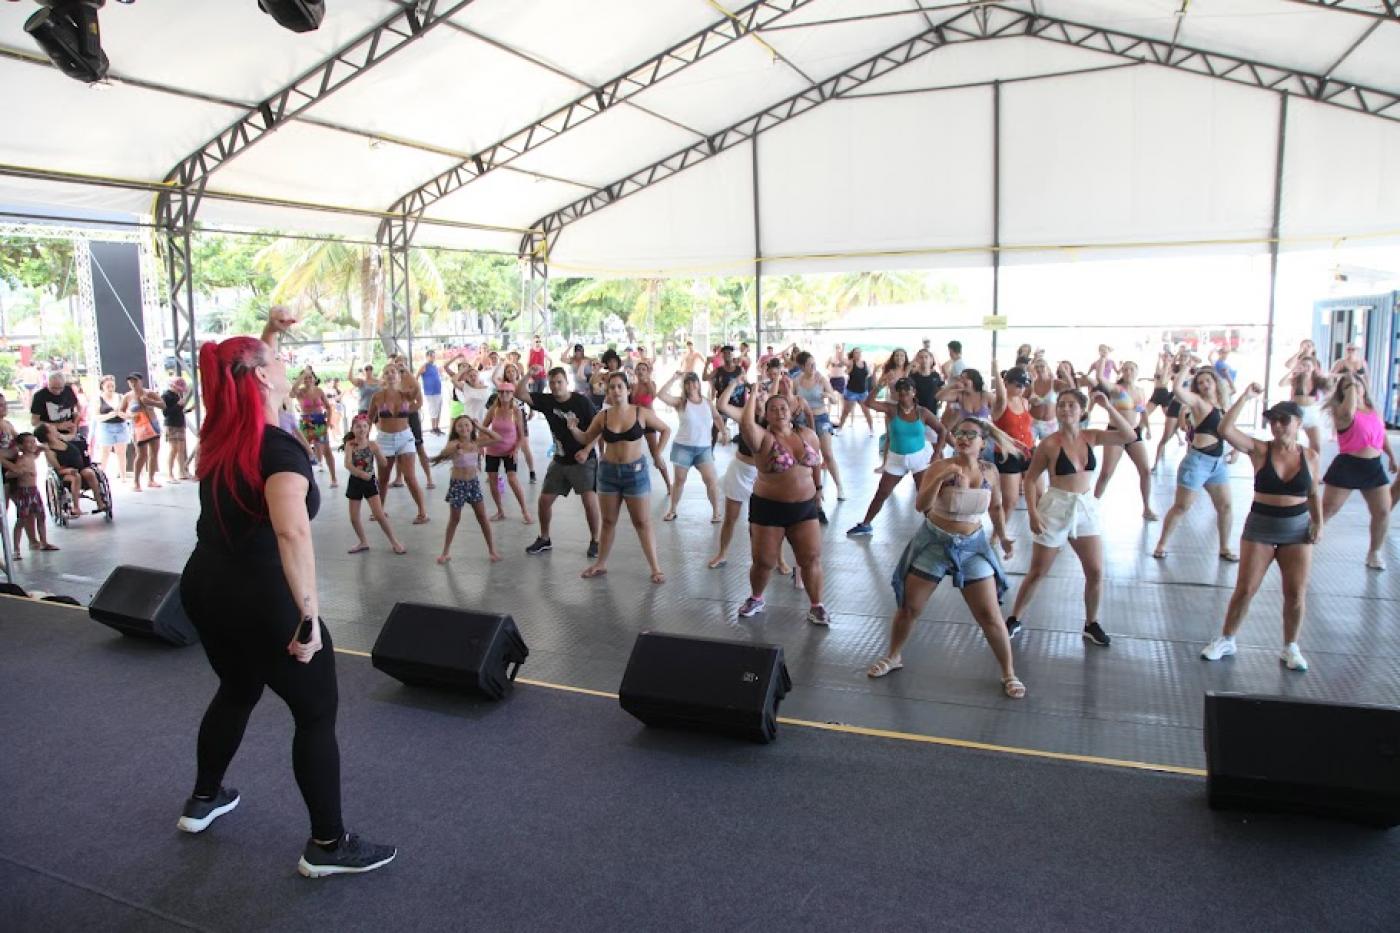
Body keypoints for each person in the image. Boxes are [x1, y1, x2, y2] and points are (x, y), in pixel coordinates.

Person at [177, 308, 395, 878]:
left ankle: (204, 798)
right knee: (316, 712)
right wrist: (308, 618)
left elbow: (241, 378)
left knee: (237, 688)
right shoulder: (279, 452)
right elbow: (291, 530)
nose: (286, 364)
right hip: (261, 596)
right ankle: (328, 844)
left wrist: (268, 335)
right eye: (277, 360)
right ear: (263, 379)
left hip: (205, 586)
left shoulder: (220, 431)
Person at [865, 417, 1023, 698]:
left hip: (972, 546)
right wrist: (940, 477)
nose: (962, 438)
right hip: (935, 543)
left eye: (970, 435)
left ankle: (1008, 672)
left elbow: (996, 507)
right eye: (958, 433)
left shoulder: (990, 471)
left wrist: (1003, 535)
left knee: (989, 615)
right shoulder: (939, 466)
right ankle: (894, 656)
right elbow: (921, 506)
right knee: (909, 607)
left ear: (982, 443)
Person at [1004, 390, 1137, 646]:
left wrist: (1108, 407)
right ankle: (1014, 618)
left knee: (1096, 571)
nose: (1066, 409)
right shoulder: (1049, 444)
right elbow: (1030, 478)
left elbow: (1129, 435)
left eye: (1072, 405)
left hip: (1085, 508)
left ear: (1082, 410)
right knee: (1038, 571)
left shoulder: (1092, 436)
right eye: (1062, 405)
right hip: (1055, 508)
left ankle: (1091, 623)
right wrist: (1032, 512)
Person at [1201, 389, 1321, 671]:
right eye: (1273, 421)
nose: (1277, 426)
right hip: (1261, 527)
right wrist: (1245, 397)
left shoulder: (1311, 456)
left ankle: (1290, 646)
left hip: (1297, 530)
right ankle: (1227, 639)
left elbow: (1314, 493)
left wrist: (1318, 522)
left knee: (1295, 592)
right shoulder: (1261, 450)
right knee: (1245, 588)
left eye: (1284, 420)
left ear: (1298, 423)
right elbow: (1225, 429)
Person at [738, 381, 830, 625]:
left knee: (811, 558)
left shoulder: (808, 435)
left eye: (783, 408)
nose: (779, 412)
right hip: (769, 508)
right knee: (764, 561)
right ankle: (756, 598)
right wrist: (754, 394)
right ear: (766, 415)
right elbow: (746, 424)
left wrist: (818, 489)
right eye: (774, 409)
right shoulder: (763, 438)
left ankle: (816, 605)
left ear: (791, 411)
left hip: (804, 508)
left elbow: (817, 463)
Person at [565, 372, 671, 582]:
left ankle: (655, 568)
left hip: (635, 473)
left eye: (619, 387)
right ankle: (601, 564)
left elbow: (665, 429)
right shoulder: (602, 416)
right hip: (609, 473)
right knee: (608, 521)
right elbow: (587, 437)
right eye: (611, 387)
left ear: (628, 390)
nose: (615, 391)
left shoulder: (641, 412)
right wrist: (573, 428)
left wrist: (657, 453)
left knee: (642, 522)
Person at [514, 368, 602, 559]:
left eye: (559, 382)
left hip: (583, 460)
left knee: (589, 501)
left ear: (566, 383)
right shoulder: (547, 401)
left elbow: (599, 428)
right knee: (544, 500)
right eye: (552, 382)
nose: (555, 386)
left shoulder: (581, 402)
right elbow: (519, 393)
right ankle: (544, 538)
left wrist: (587, 450)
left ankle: (595, 540)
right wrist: (529, 373)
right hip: (560, 460)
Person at [1152, 367, 1238, 560]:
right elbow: (1177, 390)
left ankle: (1224, 547)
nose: (1205, 385)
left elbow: (1231, 428)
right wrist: (1185, 367)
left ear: (1216, 383)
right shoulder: (1198, 403)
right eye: (1200, 383)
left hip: (1218, 464)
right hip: (1197, 462)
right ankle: (1162, 543)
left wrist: (1237, 449)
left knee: (1225, 506)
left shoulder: (1223, 405)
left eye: (1208, 381)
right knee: (1182, 506)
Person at [847, 378, 944, 537]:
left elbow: (942, 431)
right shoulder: (892, 410)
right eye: (901, 393)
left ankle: (935, 528)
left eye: (907, 392)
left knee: (924, 495)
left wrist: (935, 454)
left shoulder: (923, 412)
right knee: (882, 493)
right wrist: (879, 386)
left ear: (914, 393)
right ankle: (866, 524)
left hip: (919, 459)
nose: (904, 396)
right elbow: (869, 403)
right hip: (896, 459)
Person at [1321, 373, 1395, 570]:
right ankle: (1303, 541)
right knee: (1328, 510)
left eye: (1357, 384)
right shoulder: (1340, 411)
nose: (1354, 388)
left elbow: (1383, 435)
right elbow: (1348, 413)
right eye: (1348, 386)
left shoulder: (1373, 411)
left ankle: (1374, 552)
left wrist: (1392, 457)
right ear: (1343, 392)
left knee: (1382, 510)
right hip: (1348, 465)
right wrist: (1351, 387)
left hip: (1373, 466)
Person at [431, 414, 502, 564]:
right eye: (460, 426)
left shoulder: (477, 443)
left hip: (473, 484)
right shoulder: (454, 443)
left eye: (467, 425)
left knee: (482, 517)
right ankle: (445, 552)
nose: (464, 428)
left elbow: (498, 438)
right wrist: (456, 448)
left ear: (472, 427)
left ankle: (492, 550)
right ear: (455, 429)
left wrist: (482, 428)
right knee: (454, 519)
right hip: (458, 485)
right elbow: (445, 451)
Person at [657, 371, 725, 523]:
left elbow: (716, 417)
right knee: (680, 480)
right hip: (683, 447)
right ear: (685, 386)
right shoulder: (681, 402)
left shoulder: (707, 402)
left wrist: (724, 432)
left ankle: (716, 512)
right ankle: (672, 510)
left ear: (699, 384)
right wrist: (674, 378)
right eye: (688, 383)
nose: (692, 385)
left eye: (694, 382)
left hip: (703, 448)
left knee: (711, 480)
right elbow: (661, 395)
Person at [1092, 361, 1156, 519]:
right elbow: (1100, 377)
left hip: (1134, 432)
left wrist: (1148, 428)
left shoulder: (1140, 391)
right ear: (1122, 372)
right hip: (1116, 433)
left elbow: (1143, 412)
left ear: (1136, 371)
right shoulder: (1116, 389)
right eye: (1125, 369)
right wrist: (1104, 357)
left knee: (1146, 471)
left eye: (1131, 369)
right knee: (1106, 473)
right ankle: (1091, 506)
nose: (1128, 372)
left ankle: (1147, 508)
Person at [370, 367, 429, 524]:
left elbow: (417, 390)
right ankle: (379, 510)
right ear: (383, 377)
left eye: (393, 372)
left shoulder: (406, 395)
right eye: (387, 372)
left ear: (398, 377)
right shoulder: (377, 396)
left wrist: (405, 370)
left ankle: (422, 512)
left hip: (405, 438)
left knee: (409, 476)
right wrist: (363, 440)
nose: (390, 374)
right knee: (383, 478)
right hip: (384, 439)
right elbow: (369, 418)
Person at [342, 416, 404, 555]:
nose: (362, 429)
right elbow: (348, 464)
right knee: (353, 517)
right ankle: (363, 541)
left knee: (379, 515)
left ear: (369, 428)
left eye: (364, 426)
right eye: (358, 426)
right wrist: (360, 473)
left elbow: (383, 463)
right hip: (356, 481)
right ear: (352, 429)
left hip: (370, 482)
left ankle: (394, 542)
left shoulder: (372, 444)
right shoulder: (350, 444)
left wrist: (379, 453)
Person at [989, 362, 1035, 531]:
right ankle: (997, 534)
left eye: (1023, 385)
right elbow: (1001, 395)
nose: (1021, 388)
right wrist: (996, 367)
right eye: (1017, 385)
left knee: (1039, 495)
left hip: (1028, 451)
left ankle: (1043, 532)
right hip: (1007, 454)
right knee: (1010, 502)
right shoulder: (1000, 404)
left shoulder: (1025, 402)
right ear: (1007, 383)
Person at [481, 389, 533, 524]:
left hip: (509, 449)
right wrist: (481, 444)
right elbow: (483, 427)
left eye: (508, 392)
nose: (504, 395)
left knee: (512, 479)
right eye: (501, 392)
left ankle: (525, 511)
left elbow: (521, 436)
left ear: (512, 395)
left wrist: (516, 450)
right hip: (493, 449)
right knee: (492, 479)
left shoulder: (516, 411)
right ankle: (500, 511)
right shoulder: (493, 409)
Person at [34, 422, 108, 516]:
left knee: (89, 473)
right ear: (47, 434)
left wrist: (73, 425)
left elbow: (73, 435)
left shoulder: (61, 438)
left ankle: (100, 503)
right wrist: (68, 470)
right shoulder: (49, 451)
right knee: (75, 477)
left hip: (80, 468)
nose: (54, 426)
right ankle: (76, 508)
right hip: (65, 473)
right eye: (50, 427)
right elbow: (57, 469)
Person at [2, 434, 58, 555]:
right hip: (24, 491)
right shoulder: (22, 459)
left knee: (41, 516)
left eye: (34, 442)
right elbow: (8, 474)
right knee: (22, 519)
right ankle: (16, 549)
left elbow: (40, 448)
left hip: (34, 490)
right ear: (21, 446)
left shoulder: (32, 455)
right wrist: (20, 472)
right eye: (29, 442)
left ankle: (44, 542)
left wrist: (42, 446)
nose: (33, 445)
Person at [122, 373, 165, 491]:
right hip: (139, 427)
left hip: (152, 424)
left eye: (135, 381)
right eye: (130, 382)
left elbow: (163, 405)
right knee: (141, 454)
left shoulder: (149, 393)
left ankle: (151, 479)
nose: (133, 384)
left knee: (154, 453)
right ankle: (136, 482)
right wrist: (130, 415)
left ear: (141, 381)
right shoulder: (128, 396)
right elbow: (120, 412)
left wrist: (151, 402)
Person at [293, 371, 336, 488]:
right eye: (305, 378)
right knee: (305, 450)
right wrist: (301, 376)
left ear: (314, 379)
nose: (307, 380)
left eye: (310, 377)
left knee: (326, 450)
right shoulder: (300, 392)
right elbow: (292, 392)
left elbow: (328, 407)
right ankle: (307, 480)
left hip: (319, 420)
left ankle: (334, 478)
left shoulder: (319, 390)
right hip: (306, 421)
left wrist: (328, 422)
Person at [1279, 355, 1328, 452]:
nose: (1305, 367)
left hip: (1311, 413)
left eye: (1308, 365)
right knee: (1290, 444)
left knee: (1316, 444)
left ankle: (1313, 465)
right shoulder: (1296, 379)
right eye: (1303, 365)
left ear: (1313, 367)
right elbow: (1281, 384)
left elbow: (1330, 390)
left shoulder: (1318, 380)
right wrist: (1293, 370)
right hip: (1296, 412)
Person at [90, 374, 130, 482]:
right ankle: (101, 475)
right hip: (105, 427)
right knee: (105, 453)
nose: (111, 388)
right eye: (108, 386)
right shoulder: (98, 399)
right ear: (102, 386)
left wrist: (123, 415)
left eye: (112, 386)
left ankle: (123, 476)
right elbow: (96, 417)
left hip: (121, 425)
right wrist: (110, 415)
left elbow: (129, 413)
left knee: (121, 452)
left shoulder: (120, 397)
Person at [837, 347, 874, 434]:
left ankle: (871, 429)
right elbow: (841, 359)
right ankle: (839, 428)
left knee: (866, 412)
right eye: (856, 352)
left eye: (859, 352)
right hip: (851, 391)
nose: (858, 354)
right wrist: (842, 348)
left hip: (862, 392)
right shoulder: (851, 362)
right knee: (846, 411)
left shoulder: (865, 363)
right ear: (853, 354)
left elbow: (868, 374)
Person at [417, 349, 444, 435]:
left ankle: (437, 427)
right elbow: (416, 376)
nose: (433, 357)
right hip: (430, 392)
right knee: (433, 410)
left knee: (438, 410)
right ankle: (433, 428)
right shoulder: (424, 366)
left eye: (434, 356)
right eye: (431, 356)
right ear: (427, 356)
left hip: (438, 391)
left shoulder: (435, 366)